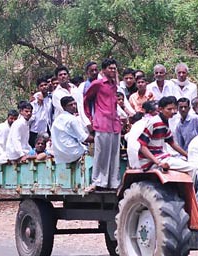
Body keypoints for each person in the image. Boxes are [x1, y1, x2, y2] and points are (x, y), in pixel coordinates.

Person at [83, 58, 122, 190]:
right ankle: (98, 181)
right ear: (104, 70)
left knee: (114, 153)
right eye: (110, 68)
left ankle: (113, 182)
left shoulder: (114, 85)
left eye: (114, 68)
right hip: (102, 122)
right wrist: (90, 118)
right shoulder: (97, 84)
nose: (113, 70)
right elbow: (86, 100)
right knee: (101, 154)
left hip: (114, 123)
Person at [137, 96, 193, 172]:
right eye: (169, 109)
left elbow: (172, 143)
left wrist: (187, 155)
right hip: (150, 161)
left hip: (161, 157)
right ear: (160, 109)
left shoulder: (165, 122)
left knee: (189, 163)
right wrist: (158, 163)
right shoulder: (155, 122)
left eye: (174, 109)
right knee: (192, 167)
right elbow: (142, 146)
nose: (173, 111)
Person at [51, 96, 93, 164]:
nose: (74, 106)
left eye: (74, 104)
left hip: (59, 156)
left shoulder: (57, 119)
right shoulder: (72, 119)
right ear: (64, 107)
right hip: (73, 152)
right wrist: (98, 138)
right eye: (70, 105)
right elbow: (84, 138)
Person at [125, 100, 158, 168]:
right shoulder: (152, 123)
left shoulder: (138, 123)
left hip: (133, 162)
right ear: (152, 112)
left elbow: (127, 137)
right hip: (143, 162)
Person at [29, 77, 53, 147]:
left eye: (45, 85)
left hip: (47, 129)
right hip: (35, 129)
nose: (44, 87)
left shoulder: (50, 98)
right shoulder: (35, 99)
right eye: (41, 86)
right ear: (38, 88)